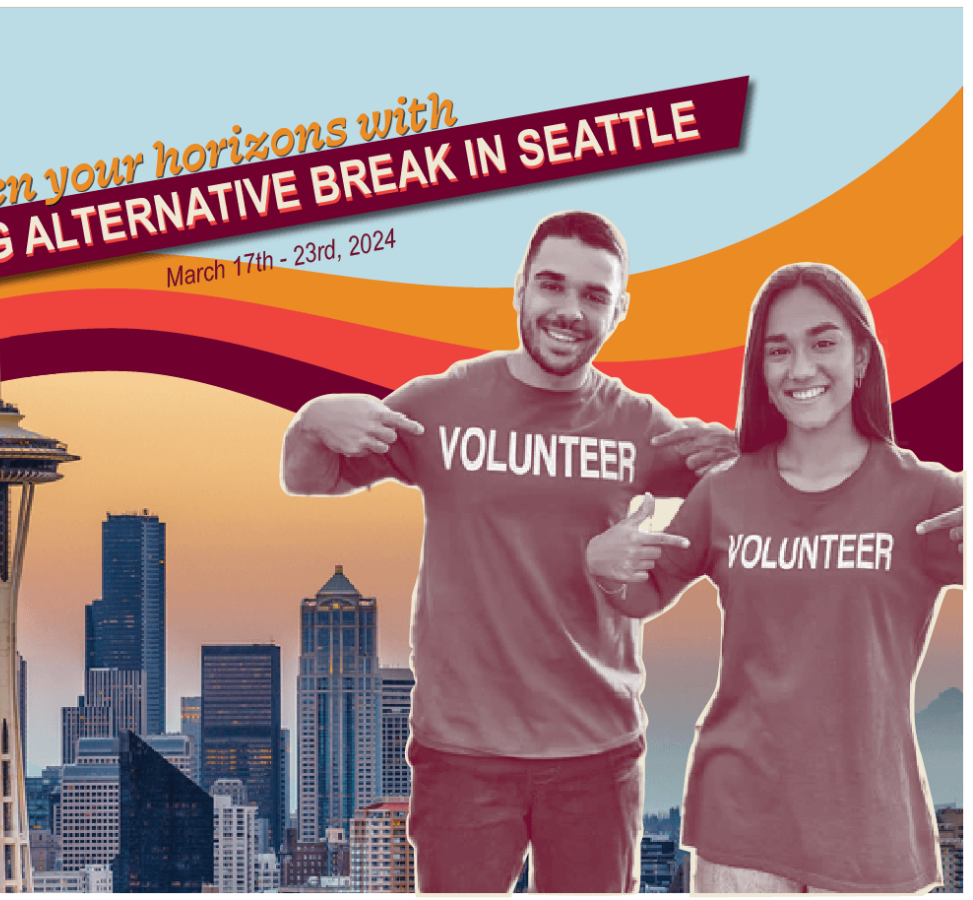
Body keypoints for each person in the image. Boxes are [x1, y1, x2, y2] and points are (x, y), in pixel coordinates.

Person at [280, 210, 737, 893]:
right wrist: (312, 419)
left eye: (594, 295)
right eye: (552, 285)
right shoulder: (442, 405)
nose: (569, 310)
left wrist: (742, 456)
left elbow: (751, 504)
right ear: (519, 288)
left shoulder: (640, 425)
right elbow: (309, 476)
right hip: (462, 759)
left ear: (619, 310)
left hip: (598, 757)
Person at [586, 262, 965, 893]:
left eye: (823, 342)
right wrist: (602, 563)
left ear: (863, 359)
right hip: (741, 827)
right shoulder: (725, 495)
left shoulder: (924, 497)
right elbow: (644, 592)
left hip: (869, 829)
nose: (801, 368)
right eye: (778, 350)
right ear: (761, 373)